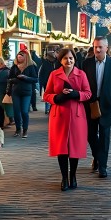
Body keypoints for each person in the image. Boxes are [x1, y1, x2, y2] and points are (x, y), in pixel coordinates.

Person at [43, 48, 92, 191]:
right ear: (61, 60)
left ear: (75, 59)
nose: (68, 61)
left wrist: (76, 94)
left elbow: (88, 93)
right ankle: (64, 177)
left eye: (71, 58)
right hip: (59, 115)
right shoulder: (54, 74)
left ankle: (73, 176)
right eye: (65, 58)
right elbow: (46, 95)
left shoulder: (81, 74)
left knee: (74, 148)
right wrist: (57, 97)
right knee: (62, 148)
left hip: (77, 115)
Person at [81, 36, 111, 178]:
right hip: (90, 104)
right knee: (90, 135)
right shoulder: (86, 64)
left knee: (105, 136)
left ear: (107, 48)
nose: (98, 49)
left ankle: (102, 167)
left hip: (106, 105)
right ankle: (97, 157)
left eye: (100, 47)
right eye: (95, 47)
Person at [6, 50, 38, 137]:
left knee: (24, 111)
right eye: (18, 57)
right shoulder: (14, 67)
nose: (19, 58)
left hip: (27, 92)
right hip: (15, 92)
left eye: (21, 56)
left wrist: (25, 78)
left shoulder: (30, 67)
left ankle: (25, 130)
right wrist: (15, 80)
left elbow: (35, 79)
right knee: (16, 111)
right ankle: (18, 129)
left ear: (26, 57)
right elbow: (9, 79)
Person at [0, 58, 13, 127]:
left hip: (1, 92)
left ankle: (3, 122)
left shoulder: (2, 72)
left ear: (2, 63)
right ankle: (4, 122)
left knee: (1, 108)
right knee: (1, 109)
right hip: (1, 92)